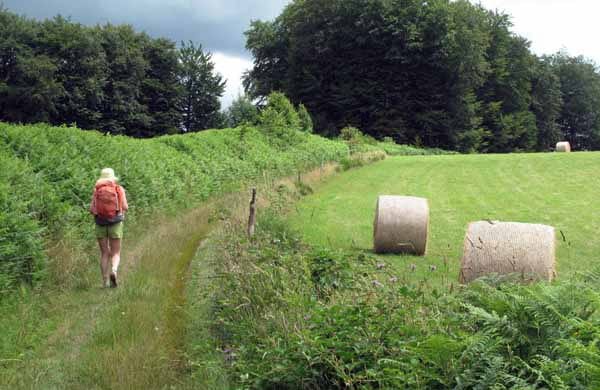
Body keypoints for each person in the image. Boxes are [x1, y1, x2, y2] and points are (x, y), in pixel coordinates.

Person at [89, 168, 129, 288]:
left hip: (100, 223)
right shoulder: (118, 189)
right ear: (112, 177)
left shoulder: (96, 190)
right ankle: (114, 271)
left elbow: (92, 210)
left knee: (104, 253)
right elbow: (125, 207)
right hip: (116, 223)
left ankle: (105, 281)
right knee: (116, 252)